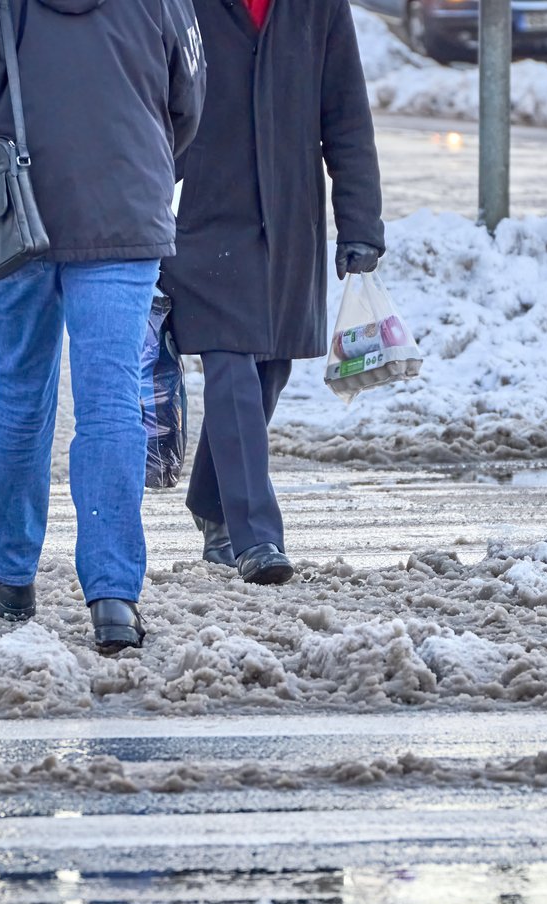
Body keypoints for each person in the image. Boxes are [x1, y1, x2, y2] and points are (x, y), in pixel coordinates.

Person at [0, 0, 205, 655]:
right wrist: (140, 158)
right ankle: (114, 597)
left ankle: (8, 569)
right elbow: (187, 89)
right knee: (111, 396)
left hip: (12, 203)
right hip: (127, 203)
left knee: (21, 385)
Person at [161, 0, 383, 585]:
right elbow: (149, 96)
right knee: (229, 357)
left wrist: (360, 223)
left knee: (268, 367)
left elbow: (346, 115)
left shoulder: (319, 8)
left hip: (290, 214)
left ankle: (211, 506)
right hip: (205, 210)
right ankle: (255, 535)